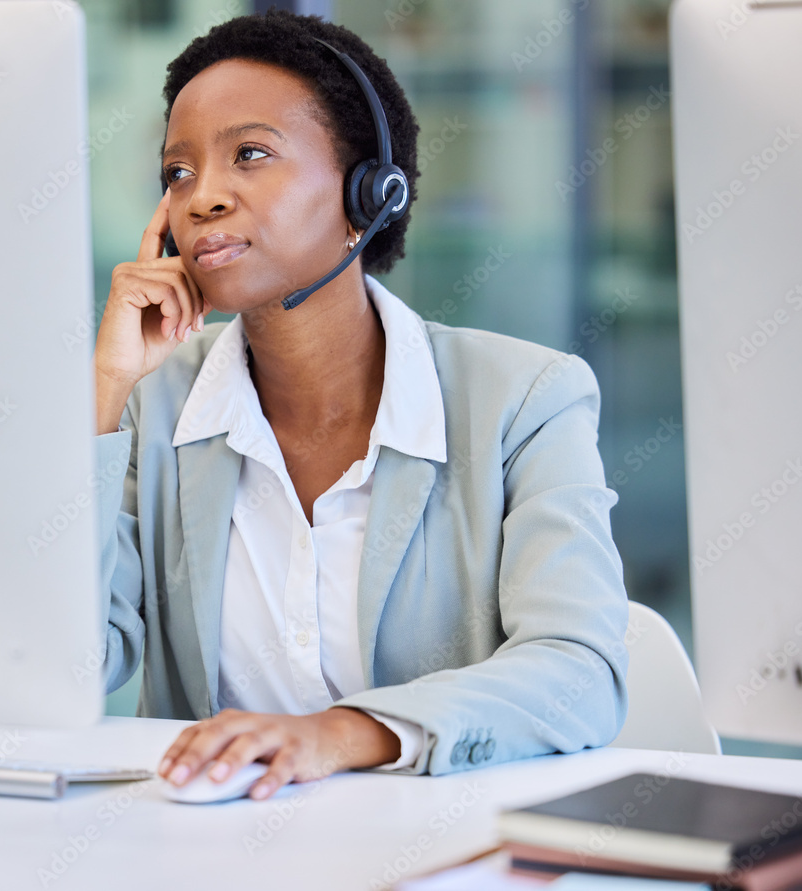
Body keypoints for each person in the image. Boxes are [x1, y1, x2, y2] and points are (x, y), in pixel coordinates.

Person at [93, 10, 628, 802]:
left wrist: (337, 735)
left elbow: (579, 671)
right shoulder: (154, 405)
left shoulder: (524, 399)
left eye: (249, 155)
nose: (202, 198)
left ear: (366, 192)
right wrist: (105, 392)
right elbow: (67, 664)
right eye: (177, 173)